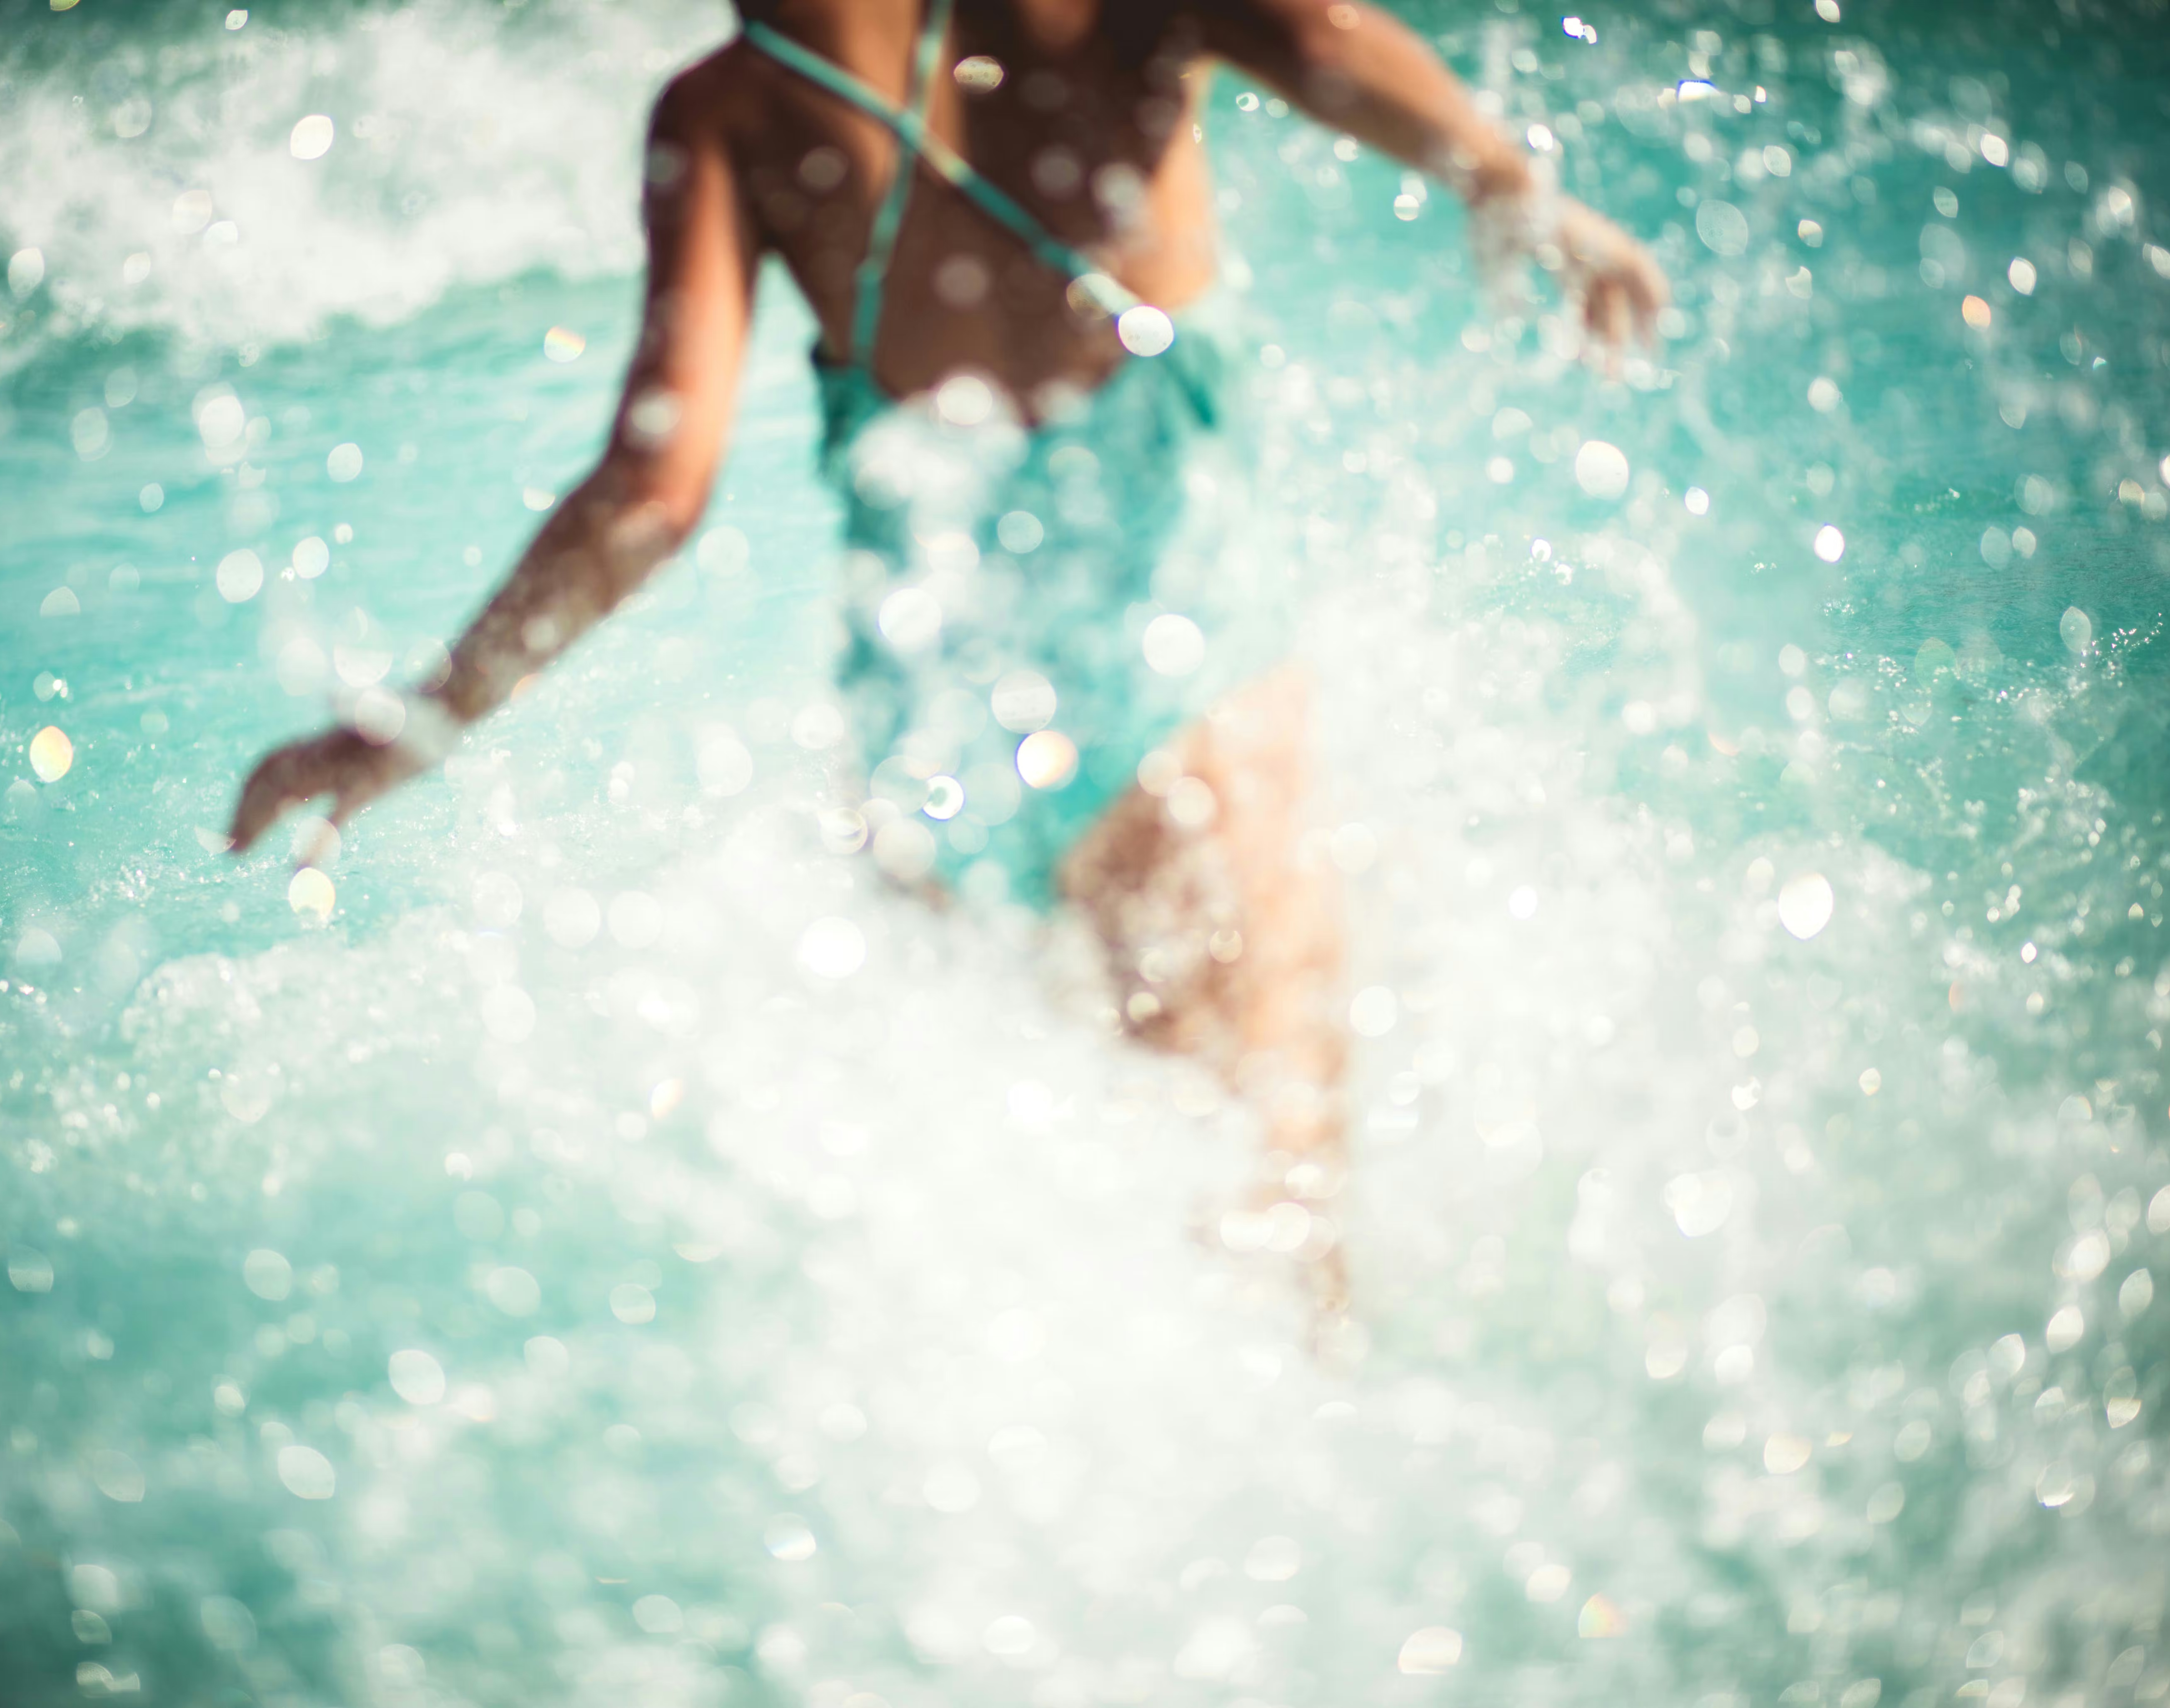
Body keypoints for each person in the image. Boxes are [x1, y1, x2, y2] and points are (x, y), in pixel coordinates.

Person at [229, 0, 1665, 1318]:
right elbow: (1324, 45)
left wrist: (422, 722)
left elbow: (651, 497)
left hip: (937, 723)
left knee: (1052, 1210)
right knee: (1275, 1211)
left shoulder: (724, 111)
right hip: (1171, 653)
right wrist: (1506, 180)